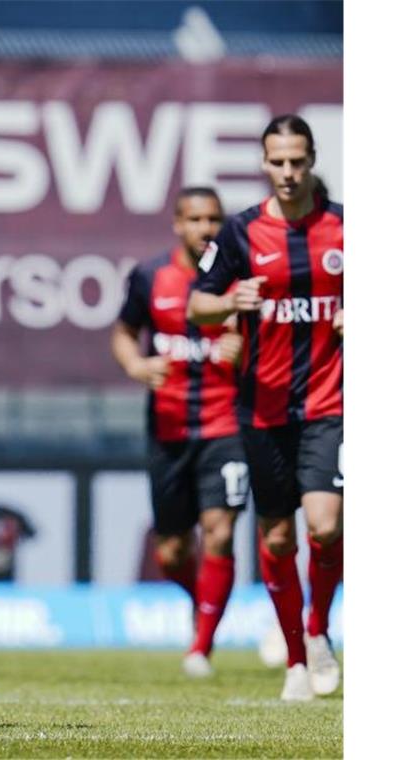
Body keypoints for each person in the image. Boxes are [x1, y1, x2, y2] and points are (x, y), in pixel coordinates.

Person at [187, 115, 343, 701]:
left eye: (297, 161)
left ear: (311, 159)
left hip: (329, 404)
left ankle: (319, 629)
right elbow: (199, 305)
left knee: (326, 527)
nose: (287, 172)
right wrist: (228, 299)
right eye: (277, 161)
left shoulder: (345, 229)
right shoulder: (239, 232)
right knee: (278, 539)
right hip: (262, 410)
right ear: (263, 162)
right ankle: (297, 663)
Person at [112, 187, 247, 678]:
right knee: (171, 554)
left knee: (220, 531)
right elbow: (125, 331)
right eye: (195, 219)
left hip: (226, 427)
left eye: (214, 219)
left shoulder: (242, 280)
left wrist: (243, 353)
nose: (205, 229)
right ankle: (204, 601)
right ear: (177, 223)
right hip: (168, 428)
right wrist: (135, 364)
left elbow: (270, 344)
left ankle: (201, 647)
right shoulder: (151, 276)